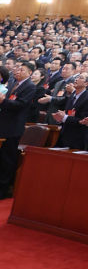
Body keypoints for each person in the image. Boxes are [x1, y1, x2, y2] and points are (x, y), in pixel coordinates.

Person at [0, 61, 35, 196]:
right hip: (4, 125)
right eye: (18, 69)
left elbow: (20, 104)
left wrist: (3, 101)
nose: (18, 71)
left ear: (29, 73)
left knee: (7, 159)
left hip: (13, 128)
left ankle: (4, 190)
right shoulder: (14, 84)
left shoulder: (30, 86)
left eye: (22, 70)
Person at [53, 71, 88, 150]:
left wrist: (64, 117)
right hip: (64, 135)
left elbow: (83, 120)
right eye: (77, 77)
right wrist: (60, 118)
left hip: (77, 138)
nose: (76, 79)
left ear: (86, 83)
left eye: (80, 78)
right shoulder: (72, 95)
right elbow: (68, 114)